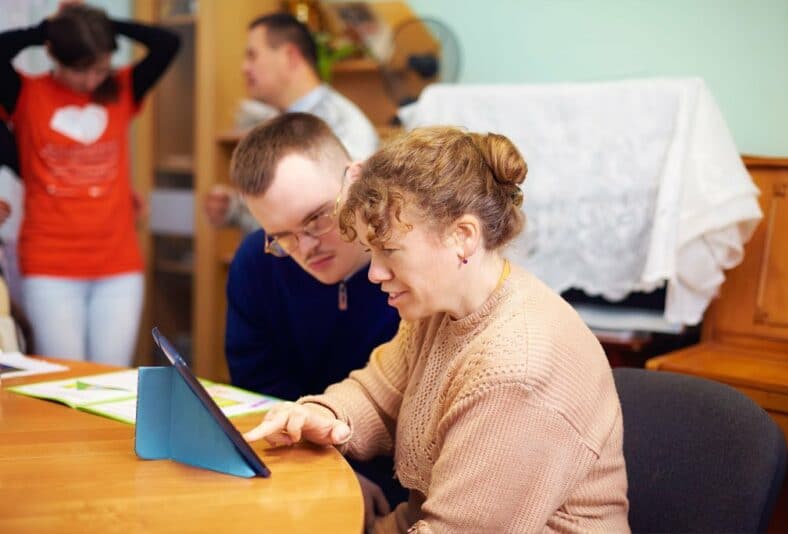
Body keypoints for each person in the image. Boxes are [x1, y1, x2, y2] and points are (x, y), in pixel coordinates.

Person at [243, 126, 631, 533]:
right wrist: (320, 414)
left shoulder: (517, 369)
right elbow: (375, 395)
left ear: (462, 237)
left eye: (390, 251)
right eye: (371, 252)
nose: (375, 273)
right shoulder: (439, 310)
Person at [227, 112, 405, 526]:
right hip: (299, 460)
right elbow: (259, 390)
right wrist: (331, 471)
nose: (305, 248)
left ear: (355, 179)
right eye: (282, 236)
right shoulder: (256, 262)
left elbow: (414, 414)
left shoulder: (412, 267)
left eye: (317, 218)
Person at [0, 4, 180, 364]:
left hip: (118, 266)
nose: (91, 81)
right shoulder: (25, 94)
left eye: (100, 68)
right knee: (63, 380)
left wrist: (100, 26)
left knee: (111, 378)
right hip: (50, 266)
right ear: (55, 56)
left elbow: (167, 43)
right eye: (81, 70)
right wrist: (49, 31)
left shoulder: (122, 89)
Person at [204, 12, 379, 233]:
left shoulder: (343, 125)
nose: (244, 68)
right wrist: (235, 208)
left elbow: (341, 219)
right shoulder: (275, 123)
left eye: (252, 56)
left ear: (290, 56)